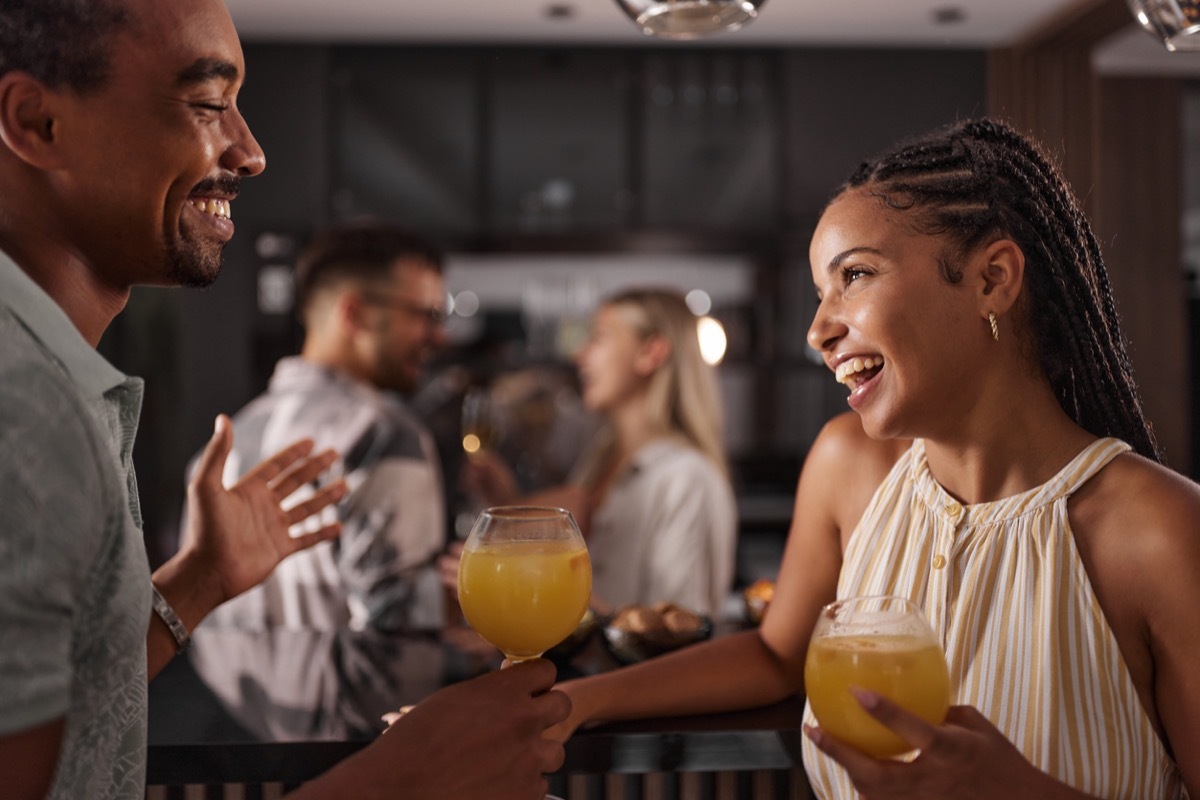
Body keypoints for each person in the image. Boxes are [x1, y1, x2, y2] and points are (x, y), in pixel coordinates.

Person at [0, 2, 568, 800]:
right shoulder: (24, 406)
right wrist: (398, 780)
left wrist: (199, 581)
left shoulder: (63, 385)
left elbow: (72, 716)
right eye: (207, 103)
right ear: (38, 122)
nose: (252, 151)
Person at [548, 118, 1200, 799]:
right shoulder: (846, 466)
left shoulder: (1160, 531)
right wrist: (579, 701)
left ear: (992, 278)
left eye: (854, 276)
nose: (819, 329)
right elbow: (777, 655)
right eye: (821, 294)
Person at [195, 222, 450, 633]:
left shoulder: (230, 438)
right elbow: (403, 635)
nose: (440, 335)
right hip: (364, 700)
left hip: (232, 697)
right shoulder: (385, 433)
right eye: (426, 314)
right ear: (355, 313)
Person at [456, 288, 737, 618]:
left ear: (651, 352)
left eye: (599, 338)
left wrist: (546, 593)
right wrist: (505, 501)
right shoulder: (601, 458)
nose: (579, 354)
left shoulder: (686, 477)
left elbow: (680, 634)